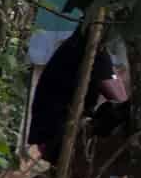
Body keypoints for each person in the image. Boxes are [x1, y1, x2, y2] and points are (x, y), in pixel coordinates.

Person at [27, 26, 129, 159]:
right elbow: (117, 95)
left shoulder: (75, 45)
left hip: (48, 135)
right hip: (58, 136)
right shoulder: (90, 50)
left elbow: (112, 78)